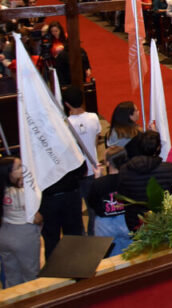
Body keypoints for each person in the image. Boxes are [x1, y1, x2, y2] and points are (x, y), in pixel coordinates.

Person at [119, 131, 172, 231]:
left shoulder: (124, 170)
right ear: (158, 148)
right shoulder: (170, 169)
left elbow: (122, 195)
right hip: (165, 221)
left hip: (136, 223)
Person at [64, 86, 101, 235]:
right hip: (92, 169)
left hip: (74, 172)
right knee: (93, 209)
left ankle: (81, 238)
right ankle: (93, 237)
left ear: (67, 104)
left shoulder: (65, 123)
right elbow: (96, 141)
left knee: (74, 211)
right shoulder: (94, 117)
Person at [0, 157, 42, 287]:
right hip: (24, 235)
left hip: (4, 234)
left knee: (11, 275)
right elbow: (36, 218)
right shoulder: (23, 193)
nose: (22, 169)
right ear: (9, 173)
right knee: (31, 274)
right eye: (18, 167)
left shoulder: (3, 190)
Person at [86, 147, 132, 257]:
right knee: (130, 255)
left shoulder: (99, 183)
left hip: (104, 225)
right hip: (126, 221)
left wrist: (97, 178)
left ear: (107, 163)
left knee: (107, 258)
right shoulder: (130, 179)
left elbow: (92, 202)